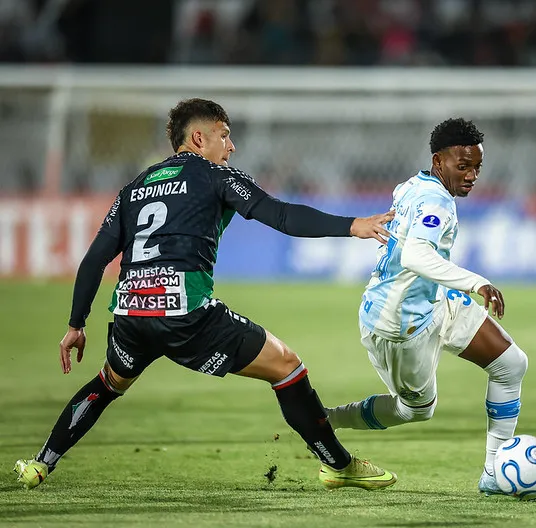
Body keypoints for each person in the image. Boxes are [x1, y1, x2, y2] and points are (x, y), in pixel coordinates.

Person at [14, 98, 398, 490]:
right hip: (185, 313)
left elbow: (94, 260)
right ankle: (338, 464)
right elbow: (281, 215)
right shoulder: (215, 176)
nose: (231, 147)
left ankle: (41, 463)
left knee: (109, 383)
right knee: (287, 366)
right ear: (199, 138)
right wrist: (352, 225)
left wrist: (76, 324)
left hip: (131, 312)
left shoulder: (135, 187)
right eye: (225, 136)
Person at [325, 118, 536, 499]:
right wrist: (475, 281)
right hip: (398, 324)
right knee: (415, 410)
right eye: (464, 166)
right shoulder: (436, 200)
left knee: (511, 364)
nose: (473, 175)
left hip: (432, 301)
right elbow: (415, 255)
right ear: (438, 161)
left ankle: (494, 474)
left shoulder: (414, 185)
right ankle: (327, 419)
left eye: (477, 167)